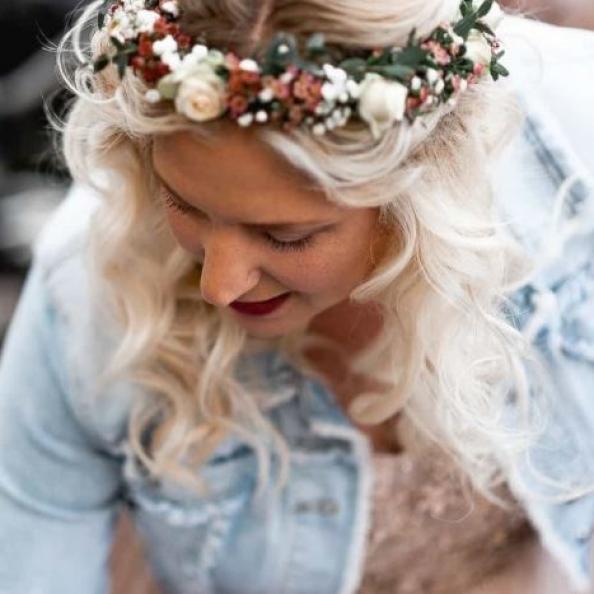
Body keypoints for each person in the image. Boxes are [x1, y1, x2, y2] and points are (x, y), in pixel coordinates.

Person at [0, 1, 593, 593]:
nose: (219, 285)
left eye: (285, 236)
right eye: (184, 204)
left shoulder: (575, 141)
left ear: (423, 188)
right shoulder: (87, 283)